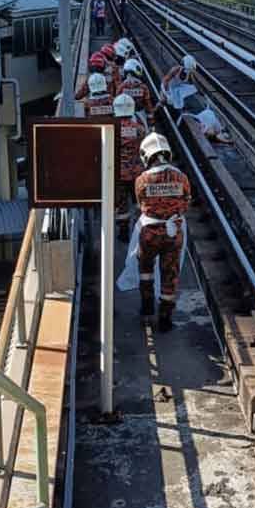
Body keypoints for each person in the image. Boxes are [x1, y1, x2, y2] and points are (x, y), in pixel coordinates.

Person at [134, 133, 191, 332]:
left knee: (145, 271)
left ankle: (147, 310)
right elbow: (186, 203)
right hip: (173, 233)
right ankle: (166, 317)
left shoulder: (142, 180)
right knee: (170, 274)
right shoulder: (181, 177)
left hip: (149, 233)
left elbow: (140, 204)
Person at [112, 94, 148, 240]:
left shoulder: (112, 128)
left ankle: (123, 232)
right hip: (137, 174)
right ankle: (141, 230)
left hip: (119, 174)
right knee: (140, 202)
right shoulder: (139, 129)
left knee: (121, 205)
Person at [118, 58, 156, 129]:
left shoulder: (121, 87)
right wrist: (151, 123)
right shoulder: (143, 87)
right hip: (140, 114)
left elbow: (116, 103)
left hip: (124, 116)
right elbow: (148, 105)